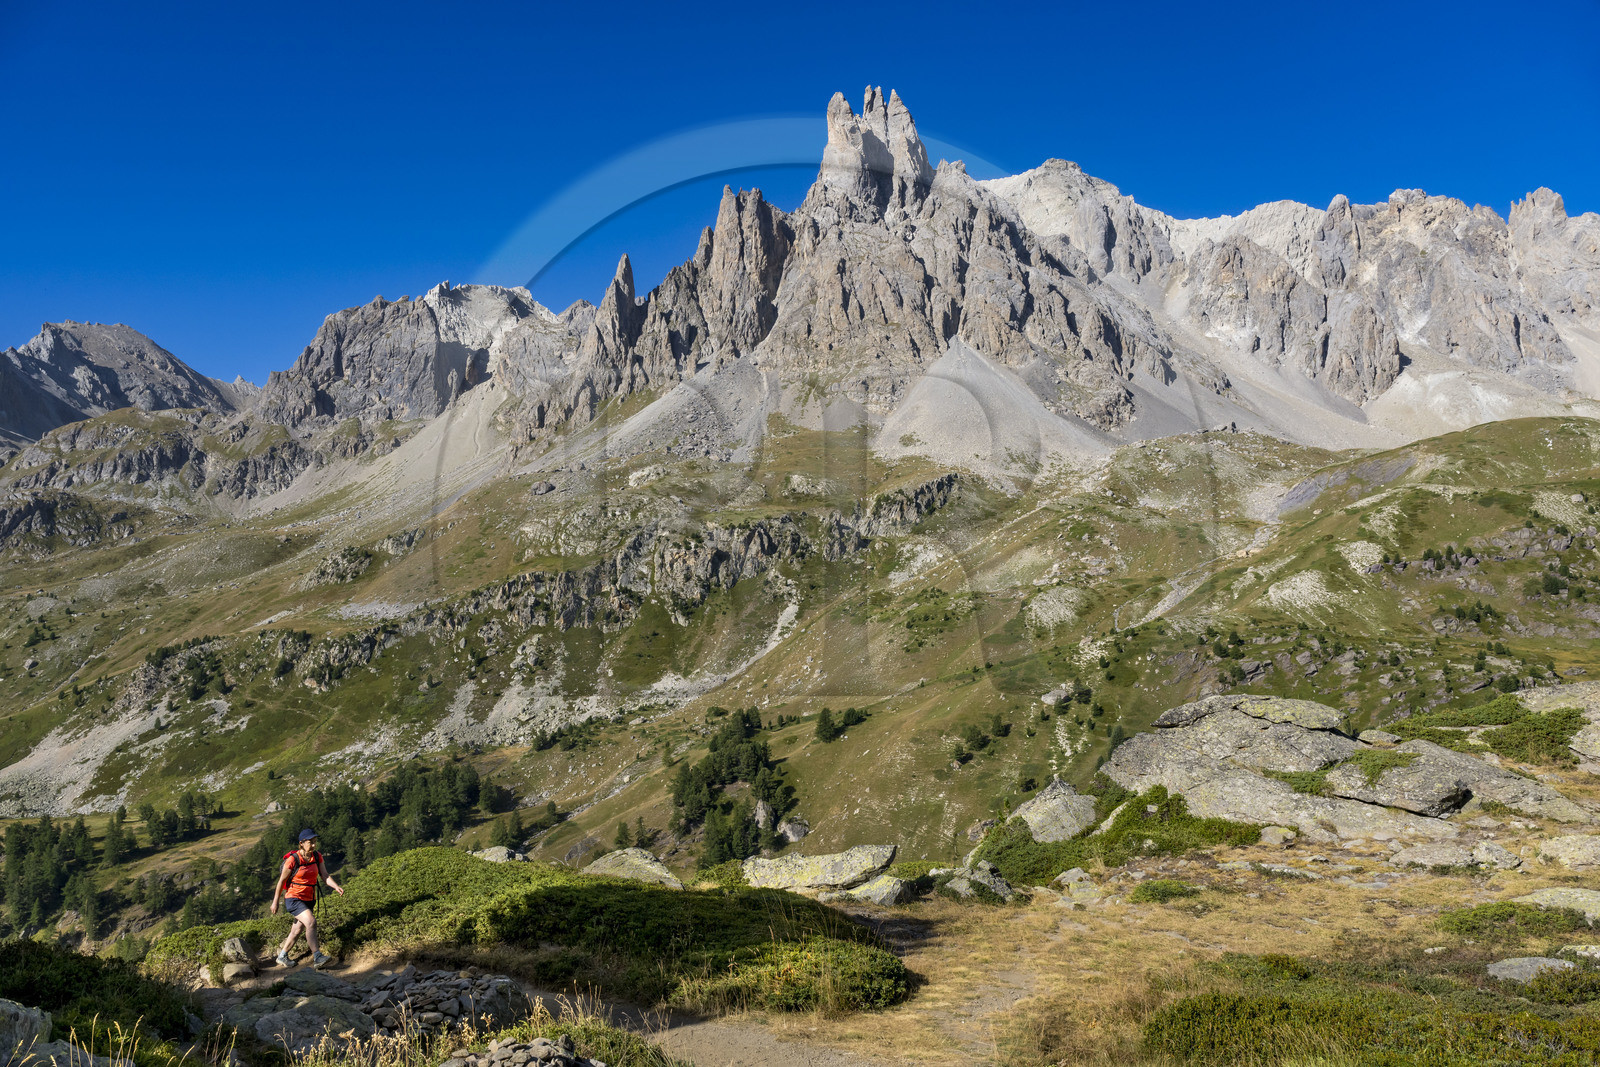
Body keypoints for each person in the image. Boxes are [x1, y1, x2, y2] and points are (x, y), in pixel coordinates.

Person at [270, 828, 345, 968]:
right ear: (301, 843)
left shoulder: (317, 856)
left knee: (297, 929)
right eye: (310, 842)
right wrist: (275, 902)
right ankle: (317, 956)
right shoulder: (293, 860)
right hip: (293, 898)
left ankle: (282, 956)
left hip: (309, 898)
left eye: (315, 842)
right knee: (310, 922)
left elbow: (324, 875)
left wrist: (335, 886)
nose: (314, 845)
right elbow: (281, 881)